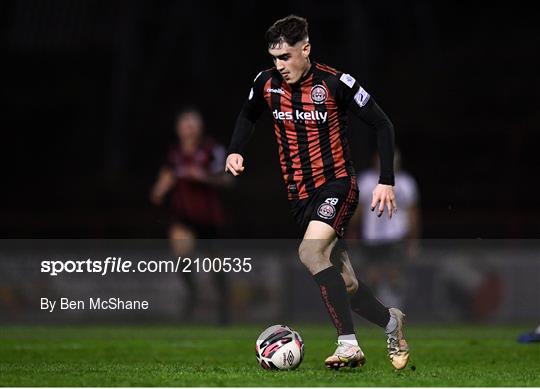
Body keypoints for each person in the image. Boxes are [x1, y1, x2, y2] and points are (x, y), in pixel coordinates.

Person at [225, 15, 409, 370]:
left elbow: (382, 123)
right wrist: (236, 148)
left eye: (286, 57)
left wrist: (386, 179)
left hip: (337, 185)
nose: (280, 66)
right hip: (299, 196)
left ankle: (348, 345)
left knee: (309, 252)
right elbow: (248, 114)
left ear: (306, 49)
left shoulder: (336, 83)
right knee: (348, 285)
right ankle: (392, 322)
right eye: (274, 58)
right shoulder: (266, 83)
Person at [151, 107, 231, 324]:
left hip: (209, 217)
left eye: (193, 124)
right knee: (181, 255)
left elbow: (227, 179)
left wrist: (204, 177)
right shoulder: (174, 153)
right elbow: (166, 175)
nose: (189, 129)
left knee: (216, 265)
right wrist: (160, 189)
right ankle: (193, 294)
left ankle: (224, 309)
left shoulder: (211, 149)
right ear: (178, 129)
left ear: (200, 127)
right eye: (185, 125)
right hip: (183, 215)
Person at [350, 149, 420, 309]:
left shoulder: (405, 182)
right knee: (372, 275)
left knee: (394, 274)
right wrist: (351, 232)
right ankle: (374, 311)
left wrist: (413, 241)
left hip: (396, 236)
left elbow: (413, 214)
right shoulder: (367, 180)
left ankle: (397, 311)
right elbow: (358, 211)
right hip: (372, 237)